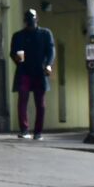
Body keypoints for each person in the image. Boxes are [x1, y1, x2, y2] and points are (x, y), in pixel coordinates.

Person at [9, 9, 55, 140]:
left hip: (39, 72)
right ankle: (24, 130)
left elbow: (51, 50)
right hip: (24, 71)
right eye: (29, 20)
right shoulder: (18, 36)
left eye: (32, 20)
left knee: (40, 102)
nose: (31, 23)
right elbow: (13, 52)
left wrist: (48, 64)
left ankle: (38, 132)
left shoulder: (45, 34)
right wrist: (17, 59)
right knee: (22, 100)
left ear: (37, 20)